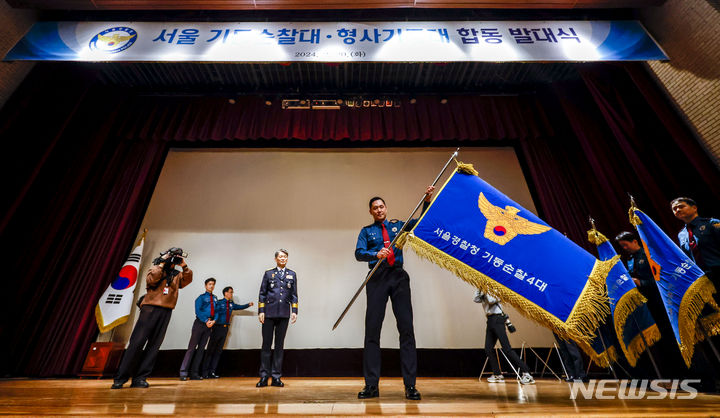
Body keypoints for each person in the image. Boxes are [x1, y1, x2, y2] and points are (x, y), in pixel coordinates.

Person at [354, 187, 433, 401]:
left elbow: (423, 221)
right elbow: (358, 253)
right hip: (377, 278)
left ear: (386, 208)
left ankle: (410, 386)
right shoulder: (366, 231)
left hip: (398, 278)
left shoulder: (399, 225)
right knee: (372, 332)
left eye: (381, 206)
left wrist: (427, 200)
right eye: (375, 208)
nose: (379, 210)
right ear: (371, 212)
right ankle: (371, 386)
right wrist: (375, 253)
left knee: (406, 330)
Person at [111, 247, 192, 389]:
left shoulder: (177, 275)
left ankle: (140, 378)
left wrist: (184, 265)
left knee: (154, 346)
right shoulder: (156, 268)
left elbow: (187, 280)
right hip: (150, 309)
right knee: (136, 343)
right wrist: (162, 262)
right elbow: (152, 280)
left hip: (166, 311)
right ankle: (120, 378)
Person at [473, 289, 535, 384]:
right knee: (488, 348)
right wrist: (480, 289)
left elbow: (491, 300)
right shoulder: (484, 289)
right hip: (490, 320)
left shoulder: (494, 288)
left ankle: (527, 373)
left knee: (507, 349)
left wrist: (485, 290)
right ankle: (497, 374)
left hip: (497, 319)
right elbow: (476, 299)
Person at [257, 249, 298, 388]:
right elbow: (262, 293)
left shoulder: (292, 274)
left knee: (279, 347)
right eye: (280, 256)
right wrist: (261, 311)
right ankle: (263, 377)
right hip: (269, 313)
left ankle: (276, 377)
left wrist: (295, 311)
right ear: (275, 259)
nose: (283, 259)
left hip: (284, 314)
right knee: (266, 346)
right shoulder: (269, 273)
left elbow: (294, 294)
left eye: (285, 256)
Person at [202, 286, 253, 378]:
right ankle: (205, 372)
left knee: (218, 351)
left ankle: (212, 372)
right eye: (230, 292)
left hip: (225, 329)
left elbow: (238, 307)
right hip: (217, 327)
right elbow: (213, 313)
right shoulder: (219, 302)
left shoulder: (231, 304)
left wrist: (248, 304)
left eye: (232, 292)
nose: (231, 294)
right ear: (225, 293)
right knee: (211, 350)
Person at [672, 197, 720, 291]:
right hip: (703, 278)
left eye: (681, 206)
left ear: (694, 208)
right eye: (674, 209)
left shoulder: (711, 223)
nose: (677, 210)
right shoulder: (682, 234)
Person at [179, 278, 218, 380]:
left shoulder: (215, 298)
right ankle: (183, 373)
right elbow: (198, 311)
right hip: (200, 324)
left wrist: (214, 321)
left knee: (201, 350)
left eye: (213, 284)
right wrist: (206, 320)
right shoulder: (200, 298)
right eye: (209, 284)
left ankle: (194, 373)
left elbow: (217, 311)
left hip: (209, 325)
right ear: (205, 286)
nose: (211, 286)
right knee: (191, 348)